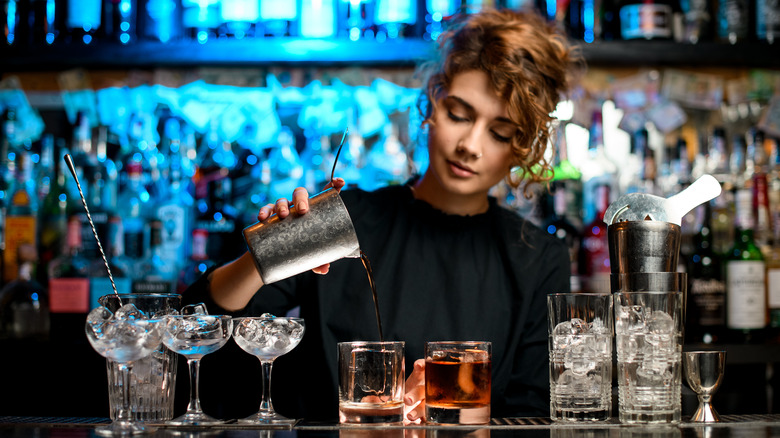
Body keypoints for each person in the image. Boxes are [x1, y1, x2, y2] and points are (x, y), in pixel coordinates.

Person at [183, 7, 583, 423]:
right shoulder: (347, 219)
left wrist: (445, 412)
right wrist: (268, 251)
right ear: (432, 101)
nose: (471, 145)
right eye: (459, 115)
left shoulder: (537, 258)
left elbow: (534, 416)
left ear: (523, 147)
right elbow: (198, 327)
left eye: (500, 132)